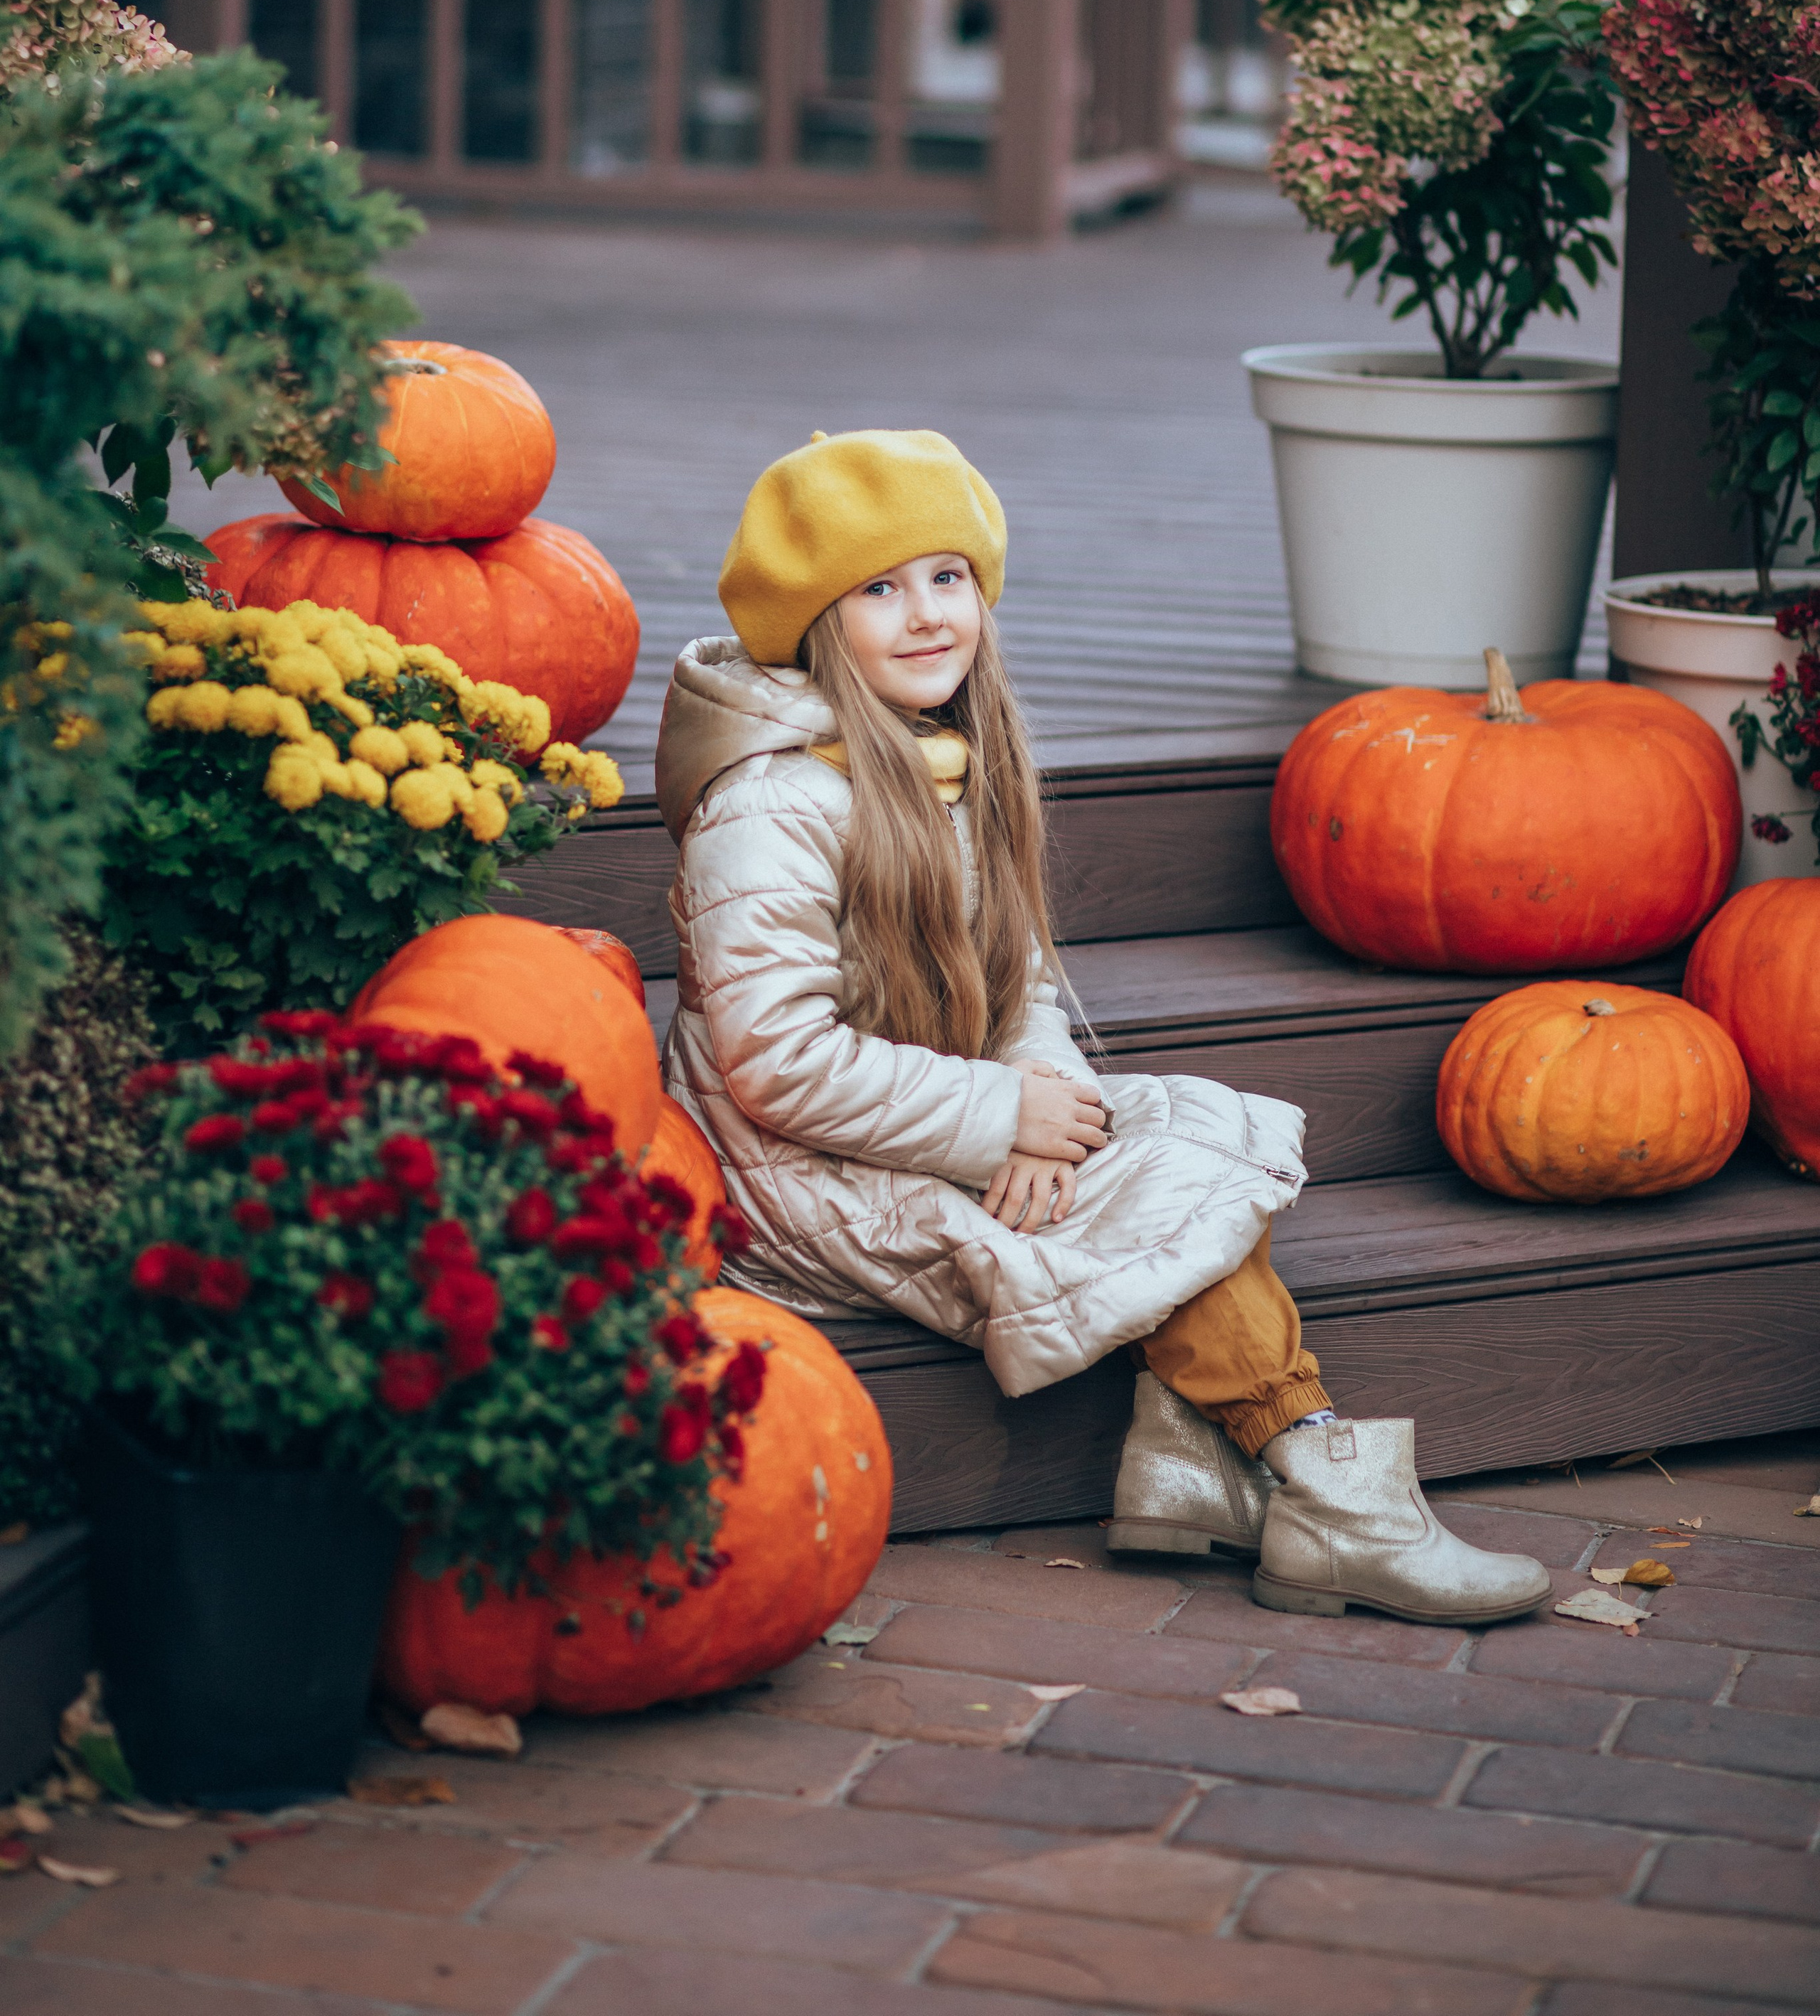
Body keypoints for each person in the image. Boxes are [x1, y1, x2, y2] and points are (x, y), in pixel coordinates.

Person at [654, 428, 1549, 1625]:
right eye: (877, 589)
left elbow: (1017, 983)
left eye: (947, 577)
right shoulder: (772, 803)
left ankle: (1197, 1467)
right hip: (792, 1174)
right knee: (1150, 1189)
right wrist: (1000, 1116)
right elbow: (778, 1066)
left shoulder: (947, 762)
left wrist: (1039, 1110)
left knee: (1181, 1143)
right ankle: (1331, 1495)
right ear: (815, 621)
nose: (925, 616)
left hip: (936, 1115)